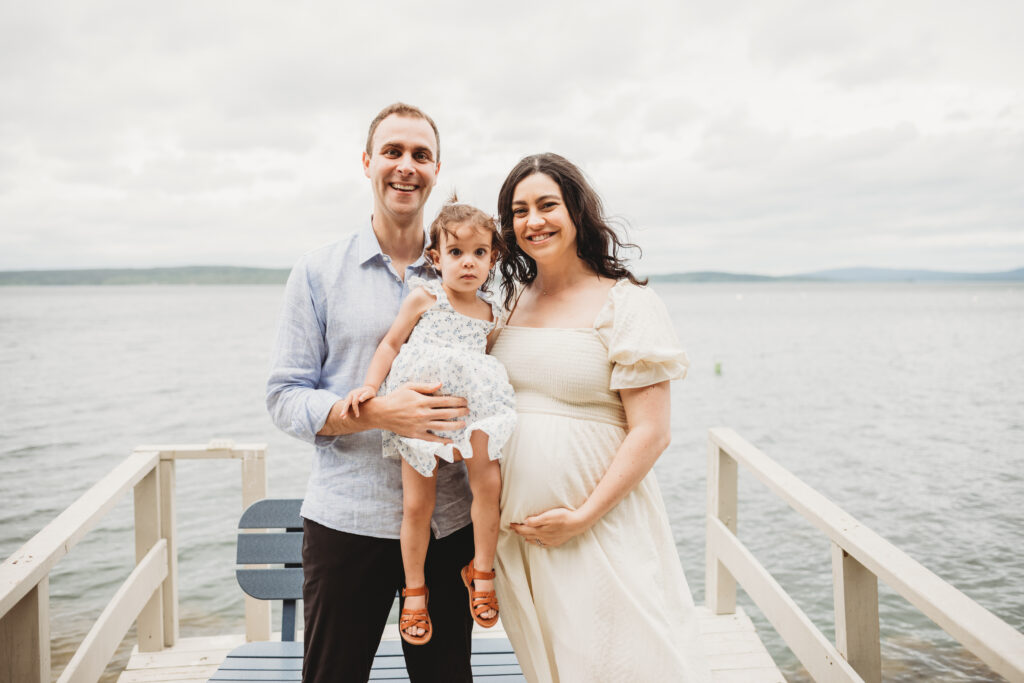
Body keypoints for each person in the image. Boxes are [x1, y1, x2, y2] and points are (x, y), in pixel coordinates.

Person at [266, 103, 476, 683]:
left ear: (436, 170)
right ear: (367, 162)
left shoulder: (467, 271)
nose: (406, 166)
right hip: (347, 519)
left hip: (446, 523)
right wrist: (378, 413)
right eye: (392, 151)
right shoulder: (317, 272)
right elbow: (284, 396)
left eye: (420, 154)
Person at [489, 153, 711, 682]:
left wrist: (582, 516)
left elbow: (652, 432)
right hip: (523, 540)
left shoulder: (625, 302)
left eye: (547, 205)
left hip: (600, 528)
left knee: (626, 663)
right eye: (520, 210)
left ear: (576, 211)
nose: (534, 221)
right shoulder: (511, 300)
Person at [338, 199, 515, 645]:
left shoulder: (492, 313)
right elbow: (390, 344)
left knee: (488, 484)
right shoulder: (425, 296)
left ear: (493, 258)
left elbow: (482, 361)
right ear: (436, 258)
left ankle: (482, 569)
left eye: (479, 252)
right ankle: (414, 589)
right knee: (418, 504)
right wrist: (370, 388)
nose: (468, 262)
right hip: (418, 413)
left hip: (471, 408)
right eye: (456, 252)